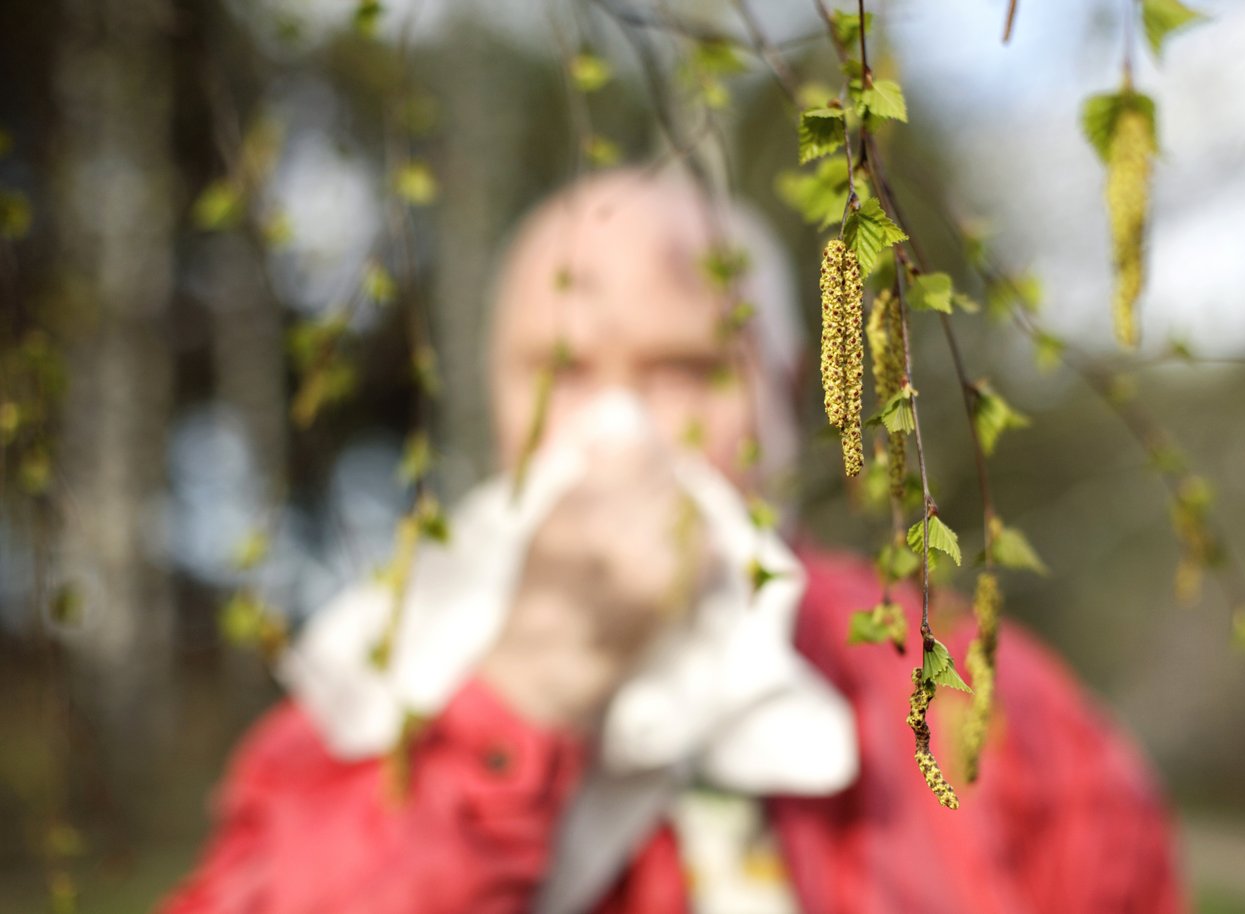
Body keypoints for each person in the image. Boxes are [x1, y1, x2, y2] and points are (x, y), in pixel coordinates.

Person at [161, 169, 1186, 914]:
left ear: (789, 397)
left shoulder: (971, 701)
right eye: (561, 371)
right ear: (497, 403)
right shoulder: (375, 695)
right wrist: (515, 699)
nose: (622, 428)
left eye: (686, 369)